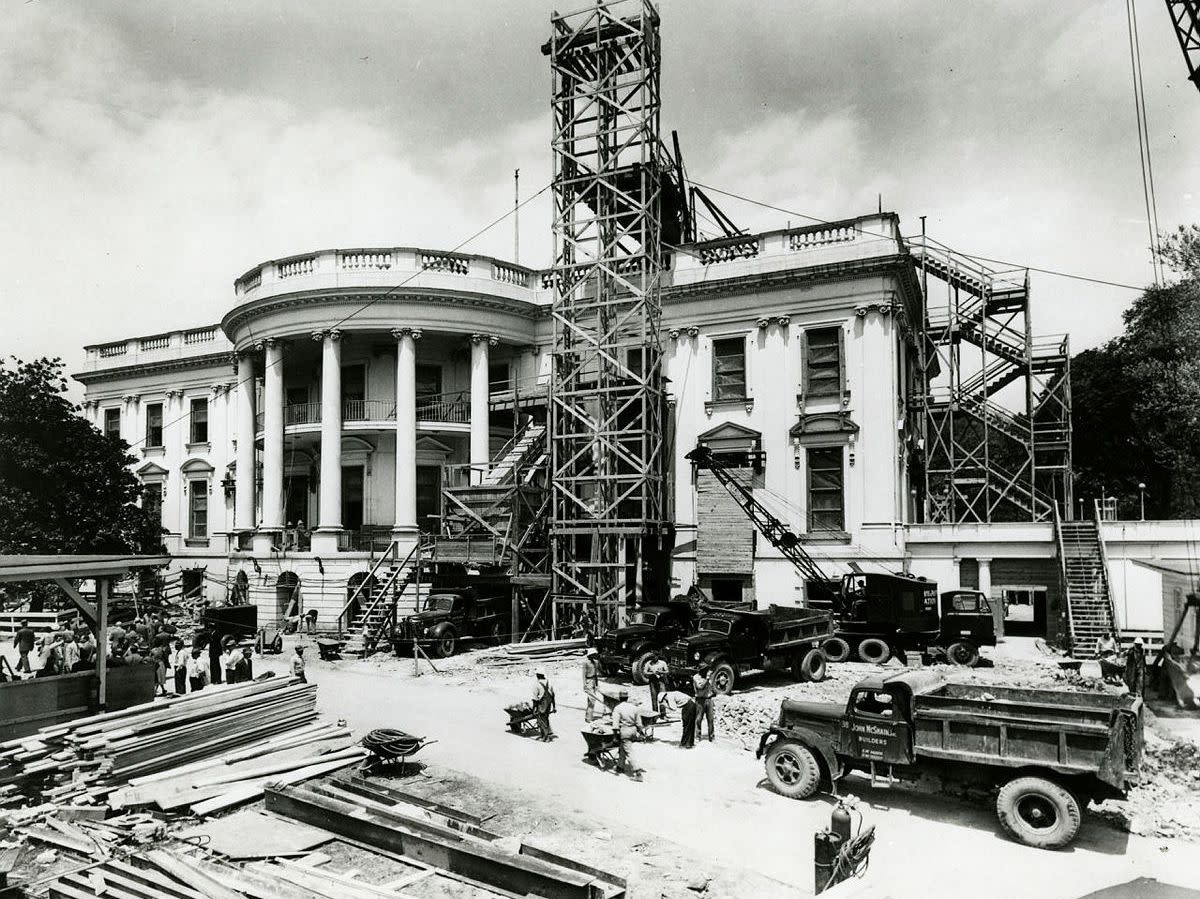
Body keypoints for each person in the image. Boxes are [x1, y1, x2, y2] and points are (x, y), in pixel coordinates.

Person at [611, 696, 646, 779]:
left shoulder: (617, 708)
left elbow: (615, 725)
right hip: (633, 731)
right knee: (623, 747)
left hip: (625, 731)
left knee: (628, 751)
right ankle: (620, 767)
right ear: (627, 698)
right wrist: (641, 733)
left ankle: (638, 773)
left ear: (619, 698)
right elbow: (639, 723)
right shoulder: (634, 707)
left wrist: (615, 736)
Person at [692, 662, 715, 743]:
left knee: (711, 719)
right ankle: (698, 736)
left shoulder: (708, 676)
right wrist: (707, 679)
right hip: (700, 699)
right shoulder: (696, 677)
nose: (706, 670)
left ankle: (711, 737)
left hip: (709, 698)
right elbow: (700, 687)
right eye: (704, 669)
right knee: (698, 719)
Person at [533, 668, 556, 741]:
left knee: (541, 719)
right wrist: (554, 707)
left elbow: (535, 699)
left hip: (542, 704)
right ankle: (544, 735)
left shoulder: (537, 684)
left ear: (538, 675)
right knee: (545, 718)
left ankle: (546, 737)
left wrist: (534, 709)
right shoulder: (549, 683)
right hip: (548, 703)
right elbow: (553, 696)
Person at [583, 647, 602, 723]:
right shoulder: (586, 663)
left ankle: (588, 716)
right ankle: (588, 718)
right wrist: (584, 685)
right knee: (592, 700)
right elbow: (583, 674)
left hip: (594, 681)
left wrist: (597, 684)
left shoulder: (595, 662)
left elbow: (596, 674)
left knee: (591, 700)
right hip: (589, 681)